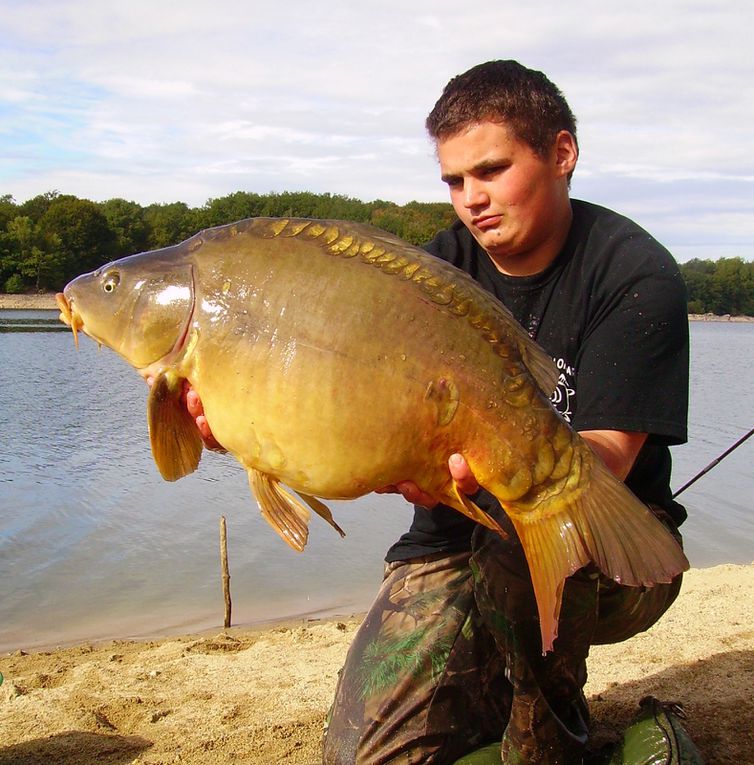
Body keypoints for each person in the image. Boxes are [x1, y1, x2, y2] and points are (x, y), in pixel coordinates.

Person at [189, 61, 690, 764]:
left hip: (609, 548)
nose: (471, 199)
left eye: (489, 170)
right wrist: (254, 425)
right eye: (454, 181)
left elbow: (604, 453)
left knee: (533, 524)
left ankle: (551, 732)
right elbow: (352, 419)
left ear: (562, 154)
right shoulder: (432, 273)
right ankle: (493, 695)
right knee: (364, 755)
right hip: (455, 535)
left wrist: (501, 473)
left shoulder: (634, 275)